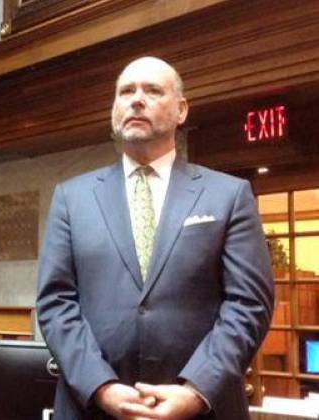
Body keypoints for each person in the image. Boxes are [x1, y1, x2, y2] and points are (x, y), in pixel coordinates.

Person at [36, 56, 274, 419]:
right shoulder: (72, 198)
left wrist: (197, 390)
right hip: (92, 408)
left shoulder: (229, 195)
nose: (136, 99)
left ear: (181, 110)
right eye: (125, 91)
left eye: (152, 90)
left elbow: (249, 305)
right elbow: (56, 302)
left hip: (202, 409)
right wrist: (100, 386)